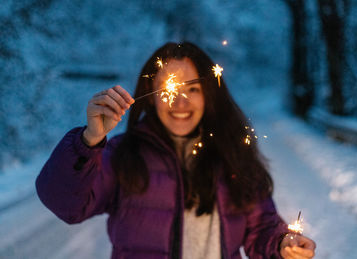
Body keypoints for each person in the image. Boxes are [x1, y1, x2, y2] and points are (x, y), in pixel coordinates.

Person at [36, 42, 316, 259]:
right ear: (152, 94)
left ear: (209, 94)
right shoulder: (122, 154)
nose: (181, 102)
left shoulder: (233, 156)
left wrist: (283, 244)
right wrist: (89, 140)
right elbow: (66, 205)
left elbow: (261, 226)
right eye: (169, 90)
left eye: (193, 89)